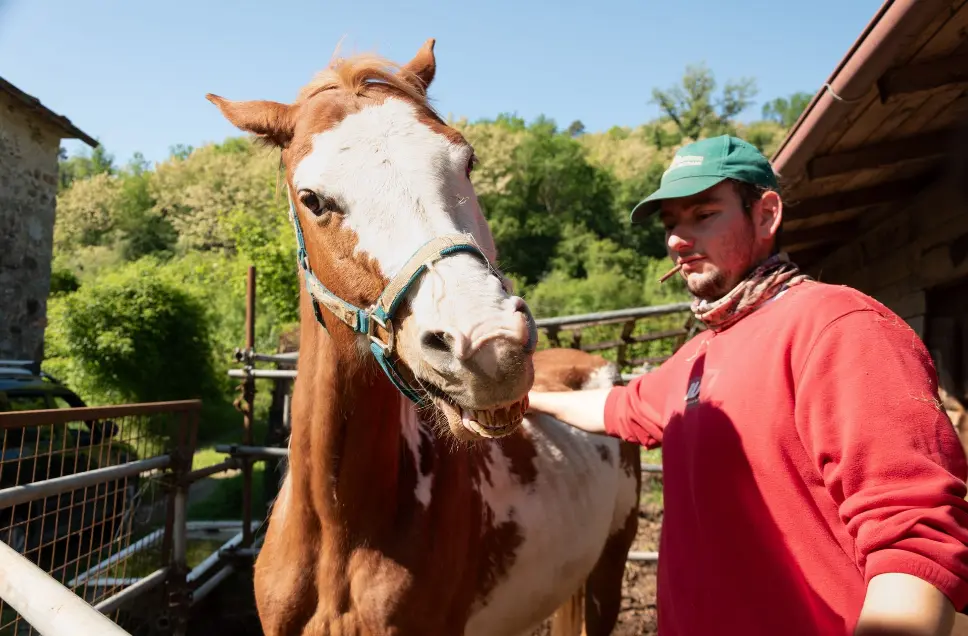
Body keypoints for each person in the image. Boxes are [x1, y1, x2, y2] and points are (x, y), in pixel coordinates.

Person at [527, 135, 968, 636]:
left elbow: (913, 539)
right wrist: (526, 399)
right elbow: (622, 406)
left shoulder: (839, 326)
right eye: (671, 224)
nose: (676, 239)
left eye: (703, 214)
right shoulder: (697, 357)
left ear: (766, 215)